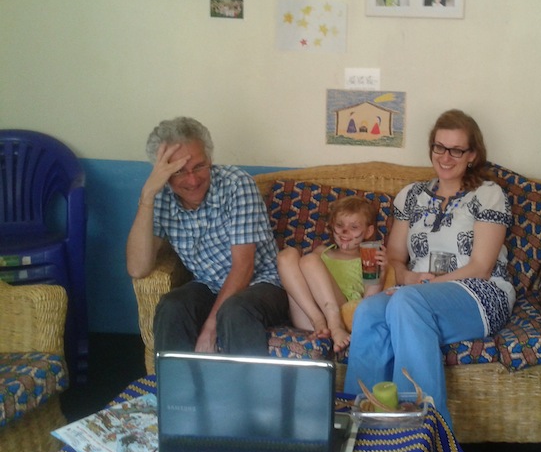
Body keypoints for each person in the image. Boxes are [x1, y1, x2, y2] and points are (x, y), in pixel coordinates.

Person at [343, 109, 514, 429]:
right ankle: (361, 421)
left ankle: (420, 427)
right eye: (439, 147)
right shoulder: (411, 196)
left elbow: (481, 267)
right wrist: (406, 277)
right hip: (415, 293)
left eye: (456, 150)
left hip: (479, 293)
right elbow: (395, 257)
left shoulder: (488, 195)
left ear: (472, 155)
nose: (445, 157)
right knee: (368, 311)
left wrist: (418, 288)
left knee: (406, 302)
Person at [126, 117, 288, 356]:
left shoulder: (236, 184)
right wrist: (148, 195)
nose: (192, 180)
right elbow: (138, 268)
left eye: (199, 166)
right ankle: (178, 380)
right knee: (172, 306)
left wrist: (210, 328)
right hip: (209, 285)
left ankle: (250, 382)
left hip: (263, 284)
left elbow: (244, 266)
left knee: (235, 310)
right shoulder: (160, 197)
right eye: (179, 171)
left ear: (210, 159)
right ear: (162, 172)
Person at [277, 196, 387, 352]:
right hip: (309, 316)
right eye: (340, 225)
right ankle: (319, 321)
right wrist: (317, 318)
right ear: (332, 225)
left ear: (368, 231)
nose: (344, 231)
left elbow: (369, 301)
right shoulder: (321, 252)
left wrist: (381, 274)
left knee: (309, 260)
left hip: (342, 314)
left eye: (354, 227)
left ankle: (335, 325)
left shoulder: (368, 259)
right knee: (287, 255)